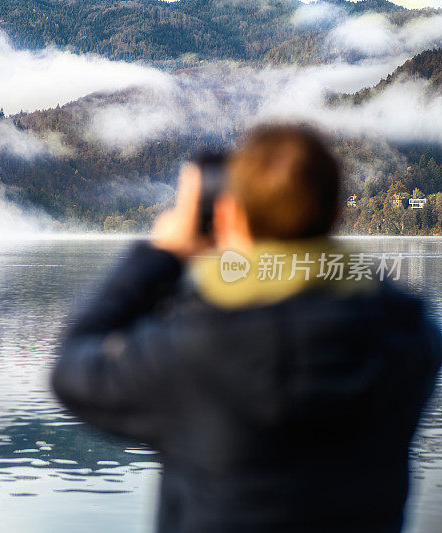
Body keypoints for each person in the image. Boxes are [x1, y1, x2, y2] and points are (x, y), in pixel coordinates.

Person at [52, 124, 441, 532]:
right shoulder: (409, 339)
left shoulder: (193, 352)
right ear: (335, 211)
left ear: (229, 215)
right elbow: (381, 295)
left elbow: (71, 368)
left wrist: (160, 256)